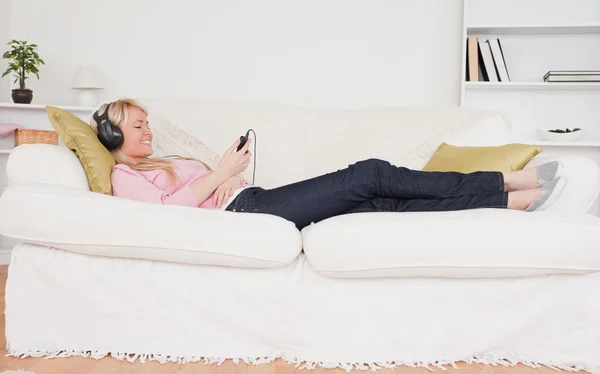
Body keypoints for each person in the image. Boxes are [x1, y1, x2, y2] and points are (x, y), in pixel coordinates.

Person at [90, 98, 568, 230]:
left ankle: (511, 203)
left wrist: (219, 177)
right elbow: (167, 213)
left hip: (248, 203)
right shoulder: (123, 176)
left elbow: (186, 198)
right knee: (370, 172)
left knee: (382, 198)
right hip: (248, 214)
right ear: (113, 135)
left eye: (147, 123)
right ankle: (509, 179)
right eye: (137, 126)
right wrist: (219, 174)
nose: (147, 132)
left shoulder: (161, 163)